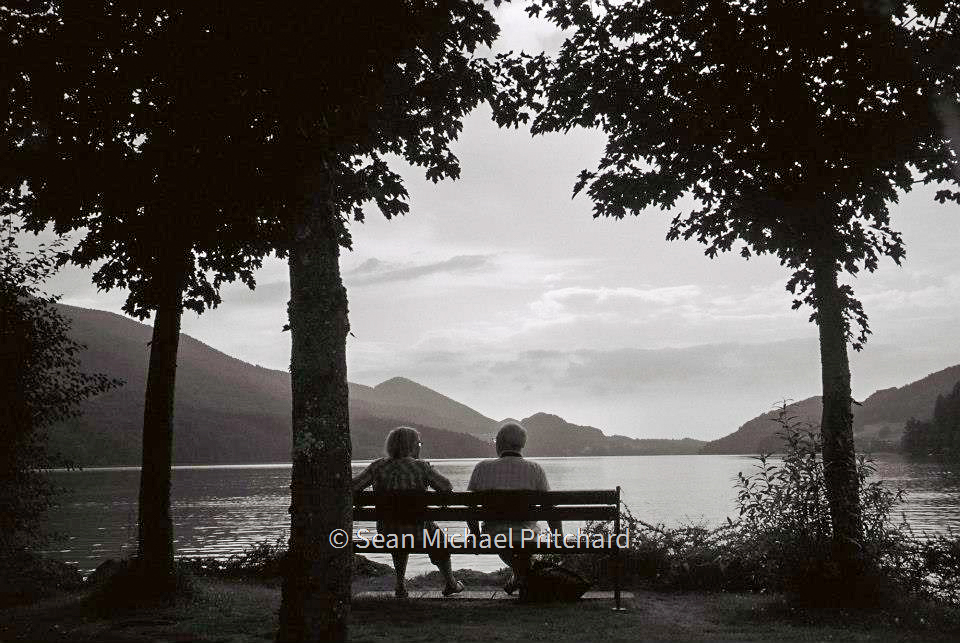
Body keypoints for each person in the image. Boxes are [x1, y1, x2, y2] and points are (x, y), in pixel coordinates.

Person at [352, 426, 464, 598]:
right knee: (436, 536)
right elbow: (446, 487)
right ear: (411, 446)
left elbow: (354, 487)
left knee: (398, 529)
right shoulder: (421, 467)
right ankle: (450, 583)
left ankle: (400, 585)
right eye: (418, 443)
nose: (420, 447)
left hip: (387, 531)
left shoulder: (377, 466)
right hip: (417, 530)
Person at [467, 421, 561, 596]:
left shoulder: (482, 468)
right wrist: (558, 537)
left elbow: (469, 507)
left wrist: (475, 536)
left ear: (500, 443)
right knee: (522, 541)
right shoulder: (535, 469)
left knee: (506, 540)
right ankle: (522, 577)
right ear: (522, 445)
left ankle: (520, 577)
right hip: (528, 535)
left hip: (493, 535)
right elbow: (549, 507)